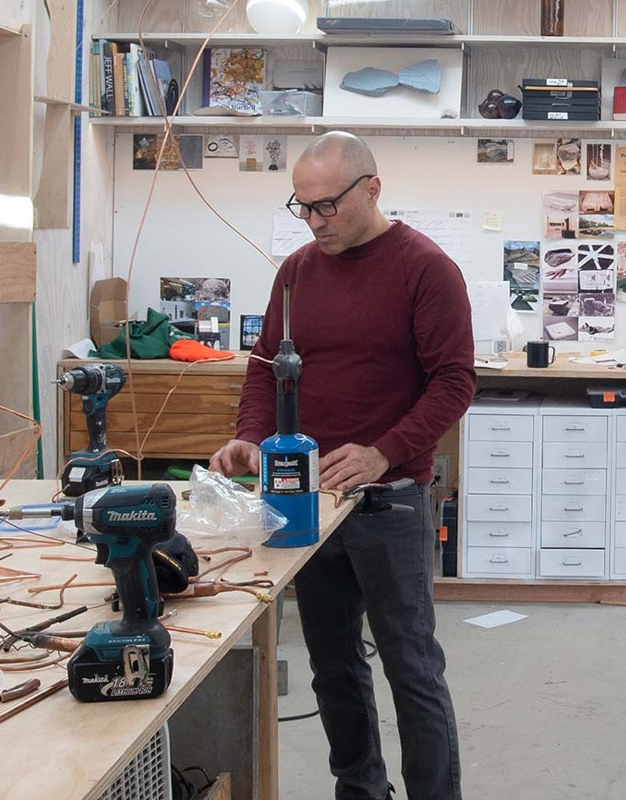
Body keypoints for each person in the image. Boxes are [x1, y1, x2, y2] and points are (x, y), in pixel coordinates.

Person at [209, 132, 476, 800]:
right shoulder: (297, 271)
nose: (316, 221)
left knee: (411, 667)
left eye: (328, 205)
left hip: (391, 502)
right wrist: (250, 437)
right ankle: (361, 790)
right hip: (309, 503)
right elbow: (267, 366)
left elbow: (455, 381)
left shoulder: (426, 269)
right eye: (303, 207)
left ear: (372, 189)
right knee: (332, 667)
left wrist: (383, 450)